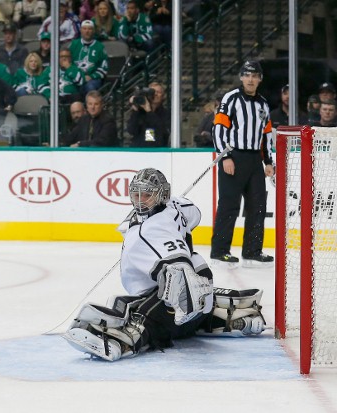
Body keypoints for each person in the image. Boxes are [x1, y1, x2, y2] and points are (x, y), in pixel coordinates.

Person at [63, 168, 266, 362]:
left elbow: (178, 268)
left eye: (147, 195)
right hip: (196, 311)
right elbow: (194, 213)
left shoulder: (149, 230)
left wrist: (180, 297)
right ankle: (231, 315)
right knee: (195, 266)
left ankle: (125, 340)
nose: (140, 200)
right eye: (137, 194)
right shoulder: (179, 206)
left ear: (161, 195)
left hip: (173, 315)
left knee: (137, 307)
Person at [210, 60, 274, 267]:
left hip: (255, 159)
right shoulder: (231, 98)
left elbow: (266, 135)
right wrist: (224, 157)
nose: (251, 79)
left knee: (257, 207)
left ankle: (252, 251)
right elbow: (218, 129)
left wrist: (268, 161)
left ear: (260, 79)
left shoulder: (263, 104)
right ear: (241, 77)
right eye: (247, 75)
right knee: (229, 205)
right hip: (234, 156)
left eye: (255, 75)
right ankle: (220, 251)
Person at [69, 20, 108, 94]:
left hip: (92, 79)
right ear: (80, 30)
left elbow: (104, 67)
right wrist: (77, 76)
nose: (87, 31)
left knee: (90, 87)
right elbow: (67, 63)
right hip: (74, 77)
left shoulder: (100, 46)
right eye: (84, 29)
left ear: (93, 31)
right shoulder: (73, 44)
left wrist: (92, 76)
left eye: (90, 29)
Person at [126, 82, 170, 147]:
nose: (155, 94)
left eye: (158, 92)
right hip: (139, 150)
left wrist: (149, 111)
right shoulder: (140, 112)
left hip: (158, 151)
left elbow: (163, 131)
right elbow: (131, 130)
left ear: (163, 96)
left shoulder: (166, 114)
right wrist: (135, 111)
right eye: (152, 92)